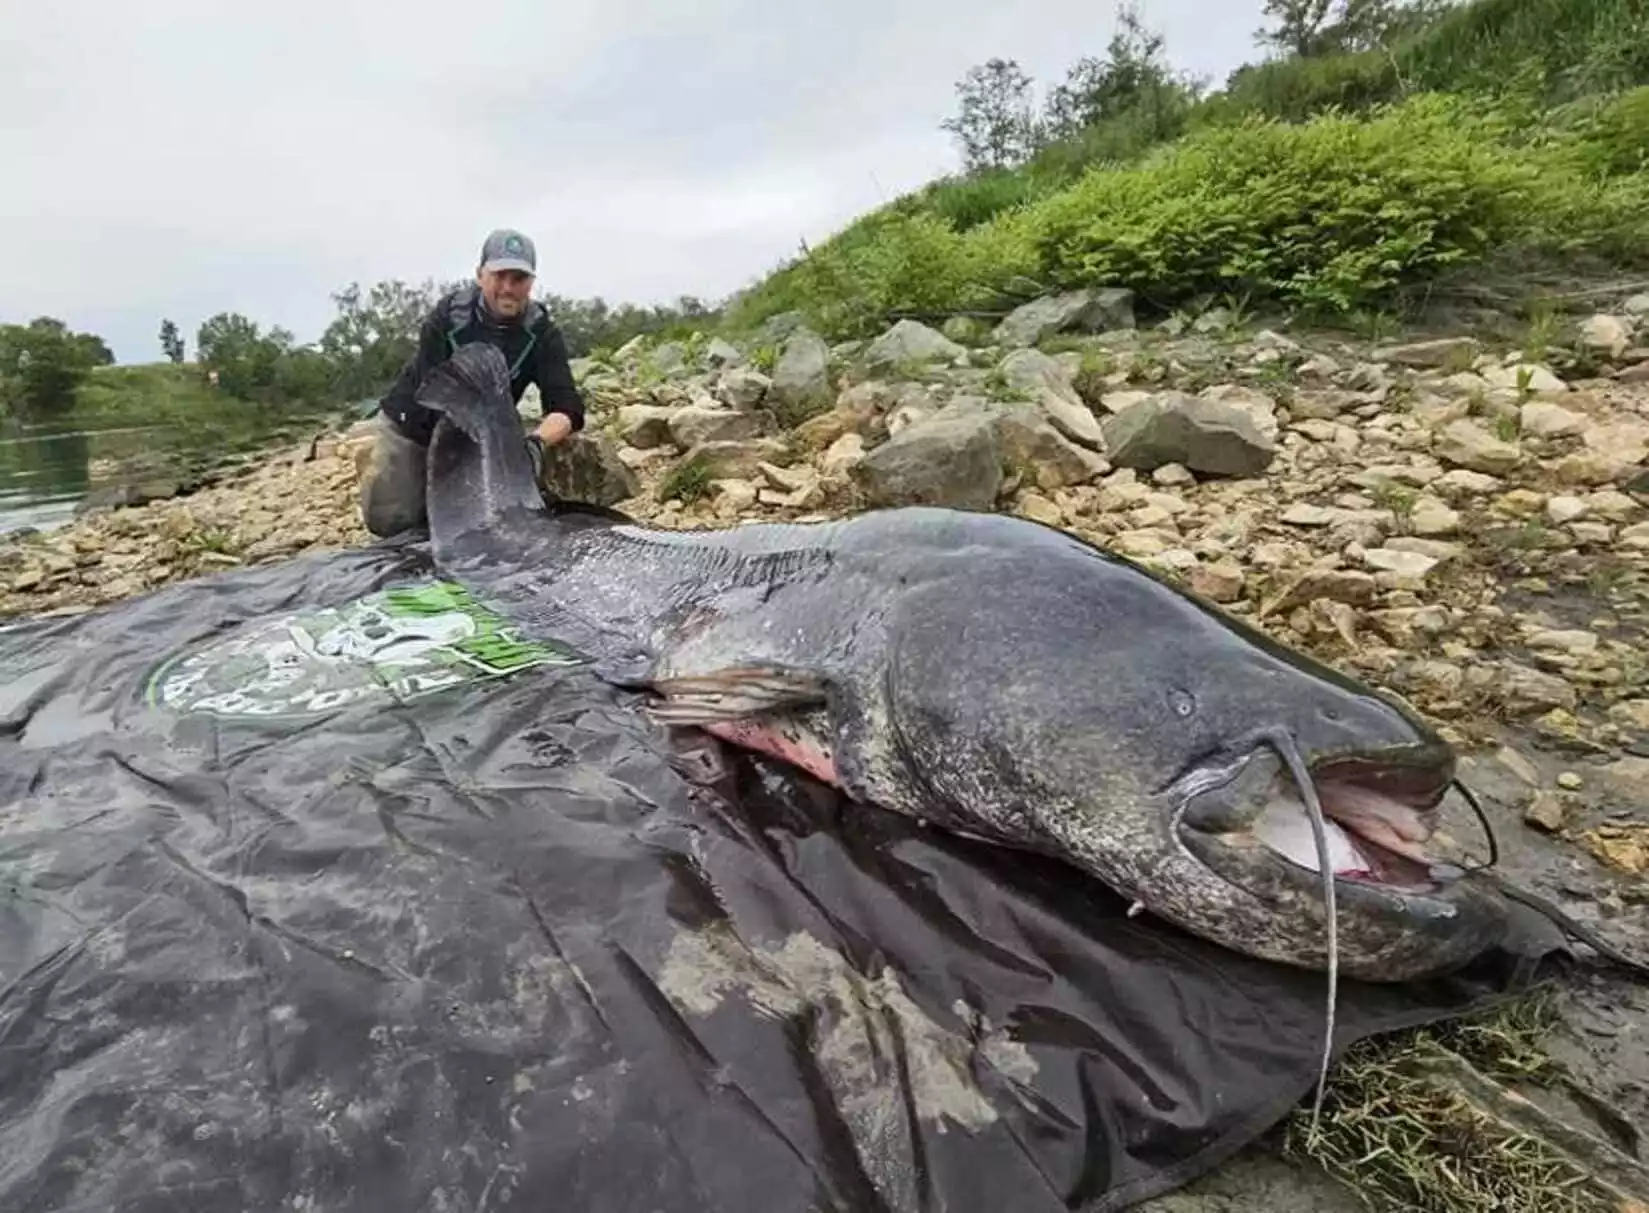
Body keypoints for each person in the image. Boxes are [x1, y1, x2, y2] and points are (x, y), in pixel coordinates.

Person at [358, 228, 587, 538]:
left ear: (531, 283)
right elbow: (434, 394)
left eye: (518, 279)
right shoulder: (447, 319)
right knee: (393, 524)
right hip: (416, 426)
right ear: (481, 276)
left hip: (481, 430)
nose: (507, 288)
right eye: (499, 276)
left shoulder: (542, 333)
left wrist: (533, 445)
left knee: (494, 524)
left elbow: (567, 407)